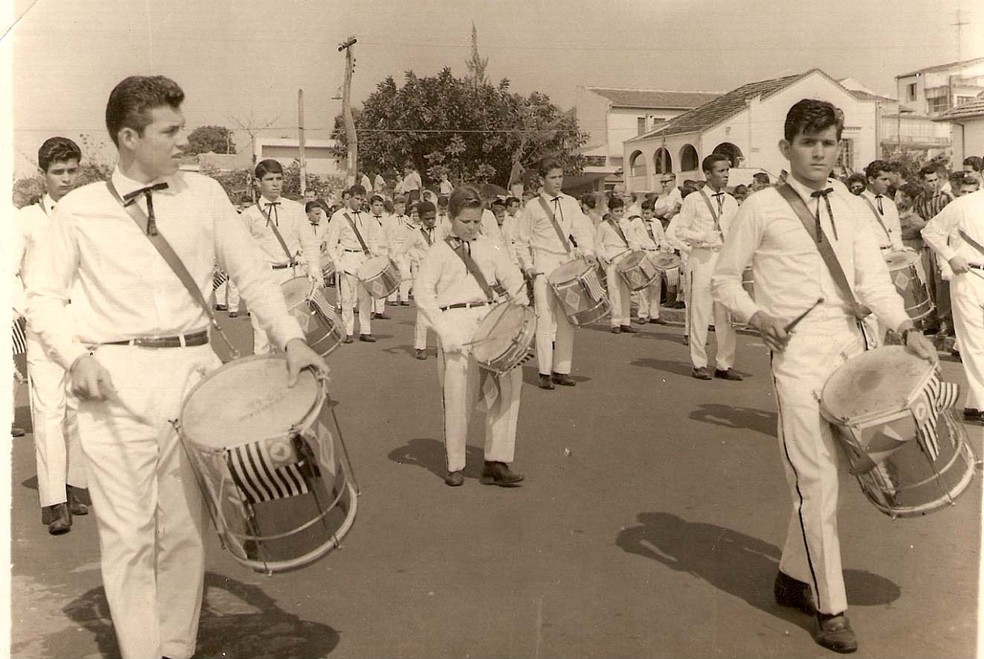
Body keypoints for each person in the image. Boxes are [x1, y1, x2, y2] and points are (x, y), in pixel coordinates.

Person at [24, 75, 328, 659]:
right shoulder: (80, 210)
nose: (184, 141)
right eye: (171, 131)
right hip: (115, 380)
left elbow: (252, 275)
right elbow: (41, 297)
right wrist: (76, 358)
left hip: (196, 381)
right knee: (128, 535)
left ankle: (177, 647)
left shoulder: (206, 196)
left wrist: (292, 340)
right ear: (129, 137)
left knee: (187, 531)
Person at [712, 98, 936, 655]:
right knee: (816, 482)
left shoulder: (854, 206)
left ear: (840, 146)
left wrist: (905, 328)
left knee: (841, 473)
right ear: (787, 148)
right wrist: (756, 315)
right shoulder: (761, 206)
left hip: (855, 349)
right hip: (798, 354)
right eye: (809, 142)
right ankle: (831, 608)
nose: (819, 153)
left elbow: (873, 282)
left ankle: (792, 574)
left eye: (829, 142)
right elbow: (723, 281)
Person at [415, 186, 529, 487]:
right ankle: (456, 463)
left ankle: (497, 460)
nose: (472, 227)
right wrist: (443, 329)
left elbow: (513, 277)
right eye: (466, 222)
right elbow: (423, 294)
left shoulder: (491, 246)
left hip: (491, 321)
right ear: (450, 217)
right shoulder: (438, 251)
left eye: (477, 221)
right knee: (458, 395)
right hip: (455, 322)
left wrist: (518, 301)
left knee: (508, 388)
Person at [15, 136, 89, 535]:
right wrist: (28, 312)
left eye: (71, 171)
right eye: (57, 172)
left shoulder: (87, 215)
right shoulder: (26, 219)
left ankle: (76, 485)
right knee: (47, 414)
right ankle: (53, 502)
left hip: (81, 329)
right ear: (42, 175)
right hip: (44, 327)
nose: (65, 178)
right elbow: (9, 271)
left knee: (80, 412)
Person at [513, 158, 598, 390]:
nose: (558, 181)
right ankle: (544, 372)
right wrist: (528, 266)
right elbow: (520, 241)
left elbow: (581, 230)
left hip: (566, 263)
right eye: (553, 178)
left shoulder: (571, 203)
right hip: (543, 264)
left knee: (568, 318)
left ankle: (562, 369)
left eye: (560, 177)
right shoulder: (532, 207)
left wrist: (588, 252)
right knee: (545, 318)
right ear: (541, 180)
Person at [240, 159, 321, 354]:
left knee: (295, 331)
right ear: (258, 183)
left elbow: (309, 242)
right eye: (269, 179)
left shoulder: (295, 209)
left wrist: (314, 270)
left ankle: (293, 378)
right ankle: (265, 379)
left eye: (279, 178)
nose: (276, 183)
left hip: (292, 276)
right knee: (262, 334)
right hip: (264, 279)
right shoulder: (249, 215)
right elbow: (241, 252)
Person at [672, 153, 741, 381]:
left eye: (727, 171)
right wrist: (702, 237)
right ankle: (699, 363)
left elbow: (737, 232)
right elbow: (680, 231)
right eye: (721, 171)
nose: (726, 175)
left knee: (725, 315)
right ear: (708, 174)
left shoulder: (731, 201)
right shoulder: (693, 200)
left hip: (724, 260)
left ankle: (724, 364)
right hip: (701, 259)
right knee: (700, 313)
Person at [923, 185, 984, 422]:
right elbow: (931, 231)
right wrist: (951, 256)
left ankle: (973, 402)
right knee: (973, 341)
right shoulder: (964, 204)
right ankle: (982, 405)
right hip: (969, 275)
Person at [325, 184, 382, 342]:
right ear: (349, 198)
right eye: (357, 199)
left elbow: (371, 240)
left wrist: (377, 257)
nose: (359, 202)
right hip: (347, 258)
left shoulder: (367, 217)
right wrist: (337, 262)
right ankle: (347, 331)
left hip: (364, 260)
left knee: (365, 297)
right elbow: (330, 244)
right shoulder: (338, 216)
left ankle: (365, 330)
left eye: (362, 200)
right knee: (347, 298)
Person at [398, 200, 440, 359]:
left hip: (440, 274)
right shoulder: (415, 233)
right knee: (423, 311)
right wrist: (405, 270)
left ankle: (440, 346)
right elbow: (401, 252)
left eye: (433, 218)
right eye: (427, 219)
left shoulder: (441, 231)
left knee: (441, 310)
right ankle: (420, 346)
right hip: (422, 274)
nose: (430, 221)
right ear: (421, 218)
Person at [596, 197, 641, 334]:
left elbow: (633, 240)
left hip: (626, 258)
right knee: (614, 291)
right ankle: (615, 322)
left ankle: (626, 322)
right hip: (612, 259)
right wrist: (606, 257)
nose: (619, 213)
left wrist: (635, 250)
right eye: (616, 211)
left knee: (626, 291)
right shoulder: (603, 226)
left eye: (621, 211)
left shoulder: (627, 223)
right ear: (610, 211)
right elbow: (598, 245)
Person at [633, 200, 671, 324]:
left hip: (656, 253)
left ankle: (654, 314)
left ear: (653, 213)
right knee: (644, 285)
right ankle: (642, 314)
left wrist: (666, 247)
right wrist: (638, 250)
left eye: (648, 213)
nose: (645, 215)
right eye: (643, 213)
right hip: (644, 253)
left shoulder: (657, 223)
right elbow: (632, 238)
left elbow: (661, 238)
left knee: (656, 285)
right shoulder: (636, 222)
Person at [860, 160, 905, 252]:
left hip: (890, 255)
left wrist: (899, 249)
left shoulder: (889, 203)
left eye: (889, 179)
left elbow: (896, 231)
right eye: (884, 179)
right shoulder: (857, 202)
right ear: (871, 180)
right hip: (870, 255)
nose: (888, 183)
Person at [385, 195, 416, 306]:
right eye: (401, 206)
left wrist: (408, 248)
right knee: (394, 273)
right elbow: (389, 236)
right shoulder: (390, 220)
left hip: (405, 247)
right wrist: (393, 251)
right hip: (394, 247)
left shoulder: (407, 219)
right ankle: (392, 297)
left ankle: (404, 297)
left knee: (406, 273)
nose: (403, 208)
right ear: (395, 206)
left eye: (404, 206)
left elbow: (411, 234)